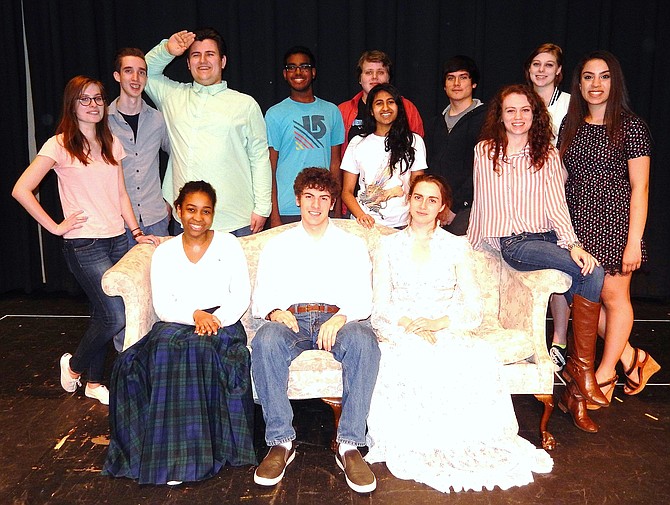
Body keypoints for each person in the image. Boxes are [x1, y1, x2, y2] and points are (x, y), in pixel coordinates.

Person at [367, 174, 553, 492]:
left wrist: (440, 323)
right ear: (408, 200)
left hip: (445, 326)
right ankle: (420, 442)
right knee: (402, 359)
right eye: (418, 197)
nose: (423, 205)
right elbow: (380, 302)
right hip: (404, 328)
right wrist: (409, 323)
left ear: (443, 208)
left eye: (432, 200)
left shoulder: (456, 245)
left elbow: (473, 304)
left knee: (476, 357)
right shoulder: (387, 245)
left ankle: (468, 440)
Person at [467, 84, 606, 433]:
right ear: (500, 115)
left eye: (525, 110)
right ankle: (582, 369)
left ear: (536, 115)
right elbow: (486, 202)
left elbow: (557, 204)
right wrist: (476, 244)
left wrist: (572, 244)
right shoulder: (486, 151)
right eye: (510, 110)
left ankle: (579, 370)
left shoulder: (547, 152)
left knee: (592, 272)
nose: (517, 117)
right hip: (514, 242)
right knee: (589, 275)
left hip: (545, 237)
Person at [12, 76, 158, 406]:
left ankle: (93, 382)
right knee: (115, 316)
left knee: (101, 314)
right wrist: (55, 226)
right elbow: (22, 189)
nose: (93, 105)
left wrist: (136, 233)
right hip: (85, 244)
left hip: (118, 239)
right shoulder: (59, 144)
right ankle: (75, 368)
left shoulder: (111, 142)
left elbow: (121, 194)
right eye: (85, 99)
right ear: (72, 104)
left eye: (98, 98)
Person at [103, 181, 256, 485]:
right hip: (176, 321)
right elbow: (163, 305)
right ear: (178, 211)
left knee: (198, 350)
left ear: (213, 215)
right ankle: (165, 457)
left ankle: (191, 460)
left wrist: (214, 319)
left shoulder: (228, 244)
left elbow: (240, 296)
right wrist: (194, 315)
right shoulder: (165, 252)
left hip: (222, 324)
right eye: (191, 210)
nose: (198, 218)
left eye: (205, 211)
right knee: (135, 362)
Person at [251, 167, 380, 494]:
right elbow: (260, 298)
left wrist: (343, 317)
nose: (315, 205)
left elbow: (364, 298)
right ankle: (281, 442)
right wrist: (275, 311)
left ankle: (349, 444)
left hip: (336, 321)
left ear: (333, 202)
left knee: (365, 341)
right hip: (291, 320)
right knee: (265, 339)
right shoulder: (278, 245)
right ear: (298, 199)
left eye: (323, 198)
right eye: (309, 197)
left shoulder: (350, 244)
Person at [559, 50, 659, 407]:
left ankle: (605, 373)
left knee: (615, 300)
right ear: (579, 83)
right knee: (580, 302)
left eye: (604, 77)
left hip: (616, 225)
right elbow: (560, 179)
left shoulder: (631, 127)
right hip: (577, 227)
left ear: (614, 82)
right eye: (588, 77)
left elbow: (640, 188)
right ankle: (633, 358)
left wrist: (634, 242)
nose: (596, 84)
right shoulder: (569, 125)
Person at [145, 28, 271, 236]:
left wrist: (262, 208)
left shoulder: (245, 104)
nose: (203, 60)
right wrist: (167, 49)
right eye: (196, 55)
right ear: (187, 63)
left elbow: (259, 158)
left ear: (222, 61)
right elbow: (143, 71)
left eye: (210, 54)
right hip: (186, 219)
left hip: (236, 219)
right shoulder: (172, 96)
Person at [524, 43, 572, 369]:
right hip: (522, 200)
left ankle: (559, 339)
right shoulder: (519, 101)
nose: (541, 70)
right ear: (529, 70)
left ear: (558, 71)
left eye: (548, 64)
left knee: (558, 270)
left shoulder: (570, 104)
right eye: (536, 64)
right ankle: (529, 338)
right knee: (525, 271)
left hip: (557, 194)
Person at [265, 46, 345, 227]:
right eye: (291, 67)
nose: (298, 72)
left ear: (313, 72)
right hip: (288, 208)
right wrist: (274, 214)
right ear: (285, 74)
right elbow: (270, 166)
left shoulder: (331, 111)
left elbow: (335, 163)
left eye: (304, 66)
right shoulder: (274, 114)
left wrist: (337, 209)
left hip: (323, 206)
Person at [108, 47, 171, 251]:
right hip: (117, 223)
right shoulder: (102, 123)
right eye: (128, 71)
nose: (135, 78)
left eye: (141, 72)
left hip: (156, 219)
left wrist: (170, 198)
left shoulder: (158, 119)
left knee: (160, 281)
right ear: (117, 76)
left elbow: (179, 158)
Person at [341, 83, 426, 229]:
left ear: (398, 107)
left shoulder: (414, 141)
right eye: (379, 103)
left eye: (391, 102)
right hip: (365, 225)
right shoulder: (357, 142)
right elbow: (347, 192)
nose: (385, 108)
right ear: (371, 111)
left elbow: (418, 188)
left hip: (402, 225)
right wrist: (361, 215)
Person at [425, 55, 485, 235]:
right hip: (434, 207)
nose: (456, 83)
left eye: (463, 77)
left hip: (470, 208)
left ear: (474, 83)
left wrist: (455, 207)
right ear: (444, 86)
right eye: (451, 78)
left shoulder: (487, 120)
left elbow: (482, 169)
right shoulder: (434, 124)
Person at [338, 49, 424, 154]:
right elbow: (337, 155)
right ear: (360, 79)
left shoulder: (407, 108)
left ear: (389, 78)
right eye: (369, 72)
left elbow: (417, 150)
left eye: (380, 72)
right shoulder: (343, 110)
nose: (374, 77)